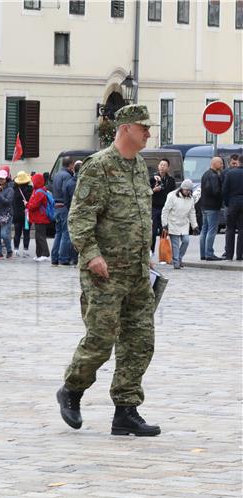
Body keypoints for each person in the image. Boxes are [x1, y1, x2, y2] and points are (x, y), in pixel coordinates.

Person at [57, 104, 161, 437]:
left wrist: (147, 254)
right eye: (143, 127)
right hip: (104, 272)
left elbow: (141, 215)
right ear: (126, 128)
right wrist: (91, 255)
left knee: (140, 341)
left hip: (137, 272)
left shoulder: (140, 168)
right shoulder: (98, 167)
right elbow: (80, 217)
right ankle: (71, 391)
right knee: (101, 340)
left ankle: (126, 411)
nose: (148, 133)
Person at [161, 179, 198, 270]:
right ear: (181, 188)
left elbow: (192, 213)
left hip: (184, 224)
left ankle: (179, 257)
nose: (187, 192)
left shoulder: (191, 198)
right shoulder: (172, 196)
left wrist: (195, 226)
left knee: (186, 241)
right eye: (186, 190)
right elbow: (165, 210)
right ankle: (176, 262)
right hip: (173, 223)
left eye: (189, 190)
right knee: (175, 244)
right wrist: (164, 224)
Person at [51, 156, 75, 266]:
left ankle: (54, 257)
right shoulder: (67, 176)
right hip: (64, 207)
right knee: (66, 233)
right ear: (70, 165)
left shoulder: (56, 175)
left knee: (58, 233)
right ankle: (63, 258)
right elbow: (66, 191)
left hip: (56, 206)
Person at [199, 156, 224, 260]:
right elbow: (216, 191)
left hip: (204, 206)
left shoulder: (205, 174)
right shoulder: (214, 176)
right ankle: (209, 253)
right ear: (215, 164)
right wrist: (222, 196)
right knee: (212, 230)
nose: (222, 166)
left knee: (204, 229)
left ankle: (203, 254)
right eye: (221, 163)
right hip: (213, 206)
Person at [150, 158, 176, 254]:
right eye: (160, 165)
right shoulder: (152, 179)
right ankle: (151, 252)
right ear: (158, 166)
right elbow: (146, 192)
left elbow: (173, 194)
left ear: (168, 168)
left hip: (165, 208)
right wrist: (154, 190)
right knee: (153, 231)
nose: (162, 167)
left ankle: (163, 253)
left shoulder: (171, 180)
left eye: (164, 165)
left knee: (163, 231)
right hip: (154, 207)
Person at [25, 173, 51, 262]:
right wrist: (29, 204)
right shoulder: (37, 190)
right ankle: (39, 254)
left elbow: (33, 205)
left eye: (33, 181)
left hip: (41, 217)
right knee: (38, 236)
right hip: (38, 217)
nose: (32, 183)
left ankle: (45, 254)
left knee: (41, 236)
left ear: (37, 181)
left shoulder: (39, 192)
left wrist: (27, 204)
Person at [222, 155, 243, 261]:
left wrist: (227, 203)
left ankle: (229, 255)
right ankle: (240, 255)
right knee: (242, 230)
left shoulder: (230, 173)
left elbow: (224, 190)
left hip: (232, 203)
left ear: (238, 162)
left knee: (230, 229)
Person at [0, 169, 15, 259]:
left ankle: (9, 251)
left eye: (3, 178)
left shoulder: (10, 190)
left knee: (4, 234)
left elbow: (7, 202)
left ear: (6, 179)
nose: (1, 180)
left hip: (7, 215)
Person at [11, 171, 33, 258]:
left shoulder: (14, 190)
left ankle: (16, 250)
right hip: (26, 215)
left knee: (17, 233)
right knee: (26, 233)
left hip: (17, 215)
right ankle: (25, 250)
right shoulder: (30, 189)